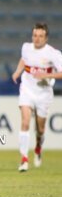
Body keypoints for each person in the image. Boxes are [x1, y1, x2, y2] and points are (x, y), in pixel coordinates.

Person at [11, 23, 62, 172]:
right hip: (27, 90)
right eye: (35, 35)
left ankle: (38, 147)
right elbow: (23, 59)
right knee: (25, 122)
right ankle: (24, 159)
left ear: (46, 38)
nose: (37, 39)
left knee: (40, 129)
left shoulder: (53, 53)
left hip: (43, 93)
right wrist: (17, 72)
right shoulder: (26, 47)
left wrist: (47, 75)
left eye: (40, 36)